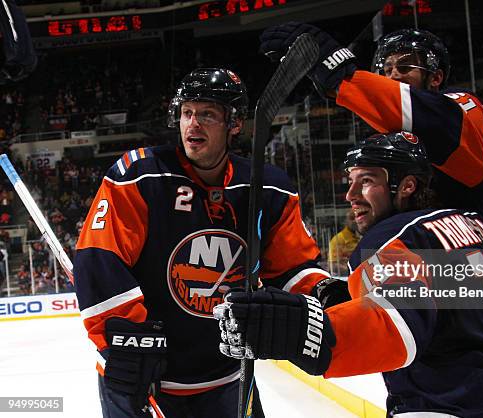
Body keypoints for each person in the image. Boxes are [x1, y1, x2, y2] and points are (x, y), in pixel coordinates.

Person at [215, 132, 483, 418]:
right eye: (351, 181)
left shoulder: (393, 237)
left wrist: (305, 332)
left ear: (407, 186)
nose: (351, 195)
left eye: (366, 181)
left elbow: (399, 324)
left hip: (454, 403)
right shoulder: (476, 230)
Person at [73, 68, 333, 418]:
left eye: (207, 114)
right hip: (144, 375)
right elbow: (98, 259)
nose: (193, 124)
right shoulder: (139, 175)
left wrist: (326, 295)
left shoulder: (268, 187)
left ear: (235, 124)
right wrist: (130, 342)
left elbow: (291, 268)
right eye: (187, 113)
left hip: (228, 375)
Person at [259, 23, 483, 234]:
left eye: (405, 68)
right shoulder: (394, 133)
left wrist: (339, 73)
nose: (394, 75)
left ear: (436, 78)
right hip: (422, 266)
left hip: (475, 264)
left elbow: (430, 116)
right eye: (387, 70)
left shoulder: (464, 106)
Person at [327, 209, 360, 275]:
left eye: (357, 217)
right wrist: (353, 271)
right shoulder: (338, 239)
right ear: (346, 221)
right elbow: (333, 265)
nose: (355, 221)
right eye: (351, 218)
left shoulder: (361, 236)